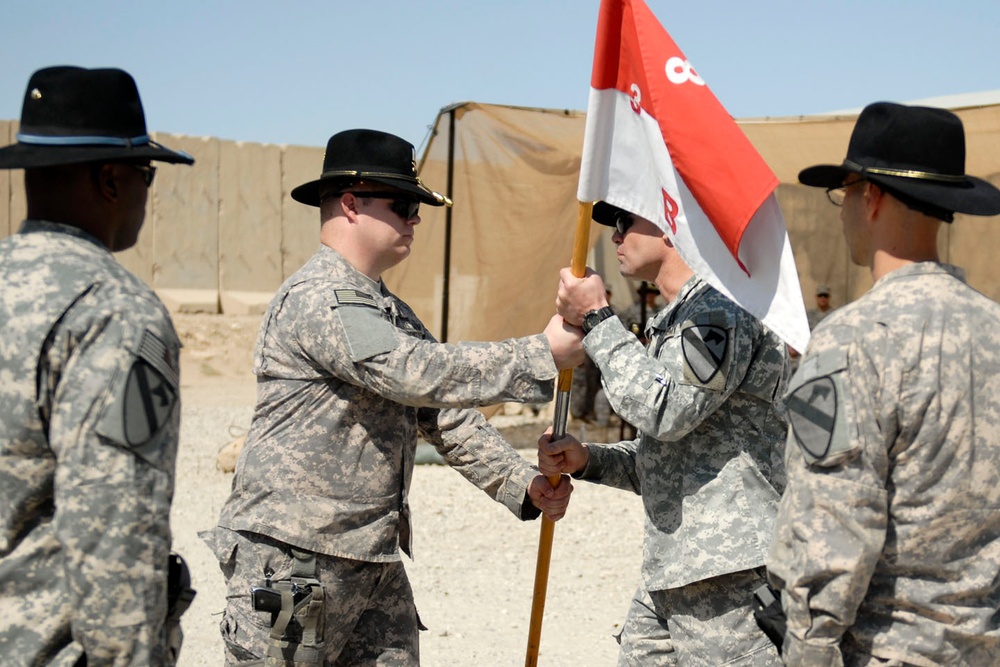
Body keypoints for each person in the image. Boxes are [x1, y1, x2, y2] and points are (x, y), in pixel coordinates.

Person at [203, 128, 584, 666]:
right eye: (403, 204)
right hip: (296, 560)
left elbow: (445, 417)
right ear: (352, 205)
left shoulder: (387, 310)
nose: (416, 219)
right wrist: (538, 353)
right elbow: (411, 374)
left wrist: (521, 485)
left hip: (371, 559)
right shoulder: (319, 298)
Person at [767, 102, 1000, 664]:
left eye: (843, 192)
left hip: (888, 648)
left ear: (868, 195)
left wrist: (807, 648)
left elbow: (833, 525)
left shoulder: (852, 338)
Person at [0, 67, 195, 665]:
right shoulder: (114, 311)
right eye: (147, 175)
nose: (146, 192)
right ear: (111, 180)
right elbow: (113, 526)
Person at [539, 201, 789, 665]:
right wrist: (588, 459)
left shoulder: (720, 309)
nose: (615, 236)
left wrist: (597, 318)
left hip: (729, 574)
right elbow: (670, 457)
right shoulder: (680, 315)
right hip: (678, 567)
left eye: (624, 221)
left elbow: (665, 411)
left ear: (672, 227)